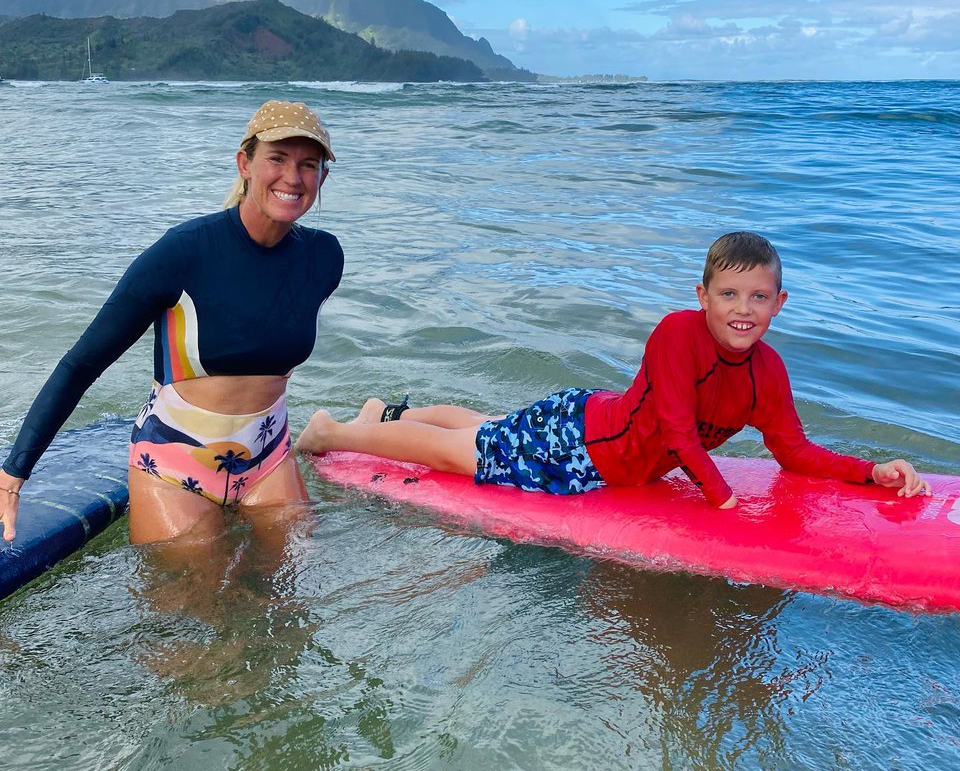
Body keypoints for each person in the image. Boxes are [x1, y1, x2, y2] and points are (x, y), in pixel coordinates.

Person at [296, 231, 929, 507]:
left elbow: (793, 451)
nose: (744, 310)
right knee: (461, 454)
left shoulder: (768, 373)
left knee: (487, 428)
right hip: (583, 447)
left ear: (778, 304)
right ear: (703, 295)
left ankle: (390, 414)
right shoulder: (678, 333)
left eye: (759, 297)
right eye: (729, 295)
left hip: (596, 426)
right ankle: (334, 432)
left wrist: (870, 472)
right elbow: (681, 433)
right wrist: (724, 500)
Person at [0, 100, 344, 544]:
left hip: (270, 456)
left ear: (323, 177)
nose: (292, 178)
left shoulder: (323, 259)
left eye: (308, 165)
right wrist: (13, 473)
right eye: (277, 158)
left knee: (289, 600)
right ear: (245, 163)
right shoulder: (182, 253)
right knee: (184, 608)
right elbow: (81, 364)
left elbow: (268, 335)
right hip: (174, 462)